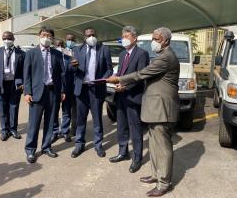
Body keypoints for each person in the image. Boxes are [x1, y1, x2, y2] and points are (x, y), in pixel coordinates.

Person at [107, 27, 180, 197]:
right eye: (153, 38)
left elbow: (142, 74)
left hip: (162, 108)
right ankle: (156, 175)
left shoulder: (166, 57)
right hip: (155, 108)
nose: (153, 42)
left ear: (166, 41)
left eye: (156, 39)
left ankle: (164, 183)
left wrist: (119, 79)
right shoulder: (162, 55)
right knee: (154, 144)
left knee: (162, 147)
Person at [109, 26, 149, 173]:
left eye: (126, 36)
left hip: (133, 97)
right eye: (123, 36)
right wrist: (114, 81)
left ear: (134, 38)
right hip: (120, 96)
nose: (124, 39)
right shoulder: (122, 55)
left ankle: (137, 158)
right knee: (121, 126)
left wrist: (125, 86)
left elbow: (140, 77)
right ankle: (123, 152)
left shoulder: (142, 54)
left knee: (135, 128)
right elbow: (120, 73)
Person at [24, 26, 66, 163]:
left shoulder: (57, 54)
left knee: (50, 121)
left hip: (53, 91)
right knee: (34, 123)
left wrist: (62, 91)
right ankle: (30, 150)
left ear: (52, 38)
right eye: (43, 35)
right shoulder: (31, 53)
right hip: (36, 92)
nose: (46, 37)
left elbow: (62, 74)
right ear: (39, 36)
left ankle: (46, 146)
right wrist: (27, 92)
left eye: (49, 35)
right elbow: (27, 75)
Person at [72, 27, 113, 158]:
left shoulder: (104, 49)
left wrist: (102, 79)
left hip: (96, 89)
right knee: (81, 119)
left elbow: (109, 69)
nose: (91, 37)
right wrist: (73, 66)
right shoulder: (78, 49)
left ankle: (98, 145)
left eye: (93, 34)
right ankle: (79, 144)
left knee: (97, 119)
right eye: (88, 35)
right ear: (84, 37)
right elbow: (72, 68)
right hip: (82, 89)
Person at [0, 31, 25, 141]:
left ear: (13, 39)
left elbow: (25, 70)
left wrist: (23, 83)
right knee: (3, 108)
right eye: (4, 38)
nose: (7, 40)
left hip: (15, 84)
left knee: (14, 107)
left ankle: (13, 129)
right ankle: (4, 130)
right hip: (1, 84)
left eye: (9, 38)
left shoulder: (21, 53)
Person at [51, 38, 74, 143]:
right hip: (55, 90)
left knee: (66, 111)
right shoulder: (50, 58)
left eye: (61, 45)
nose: (59, 47)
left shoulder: (69, 58)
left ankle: (65, 131)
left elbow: (72, 73)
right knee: (54, 112)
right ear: (53, 46)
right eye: (57, 45)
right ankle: (55, 132)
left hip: (68, 89)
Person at [64, 33, 78, 136]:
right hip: (65, 85)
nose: (70, 41)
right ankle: (64, 130)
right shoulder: (62, 52)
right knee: (65, 109)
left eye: (72, 39)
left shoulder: (78, 51)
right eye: (68, 39)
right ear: (65, 40)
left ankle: (74, 129)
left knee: (75, 109)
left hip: (76, 85)